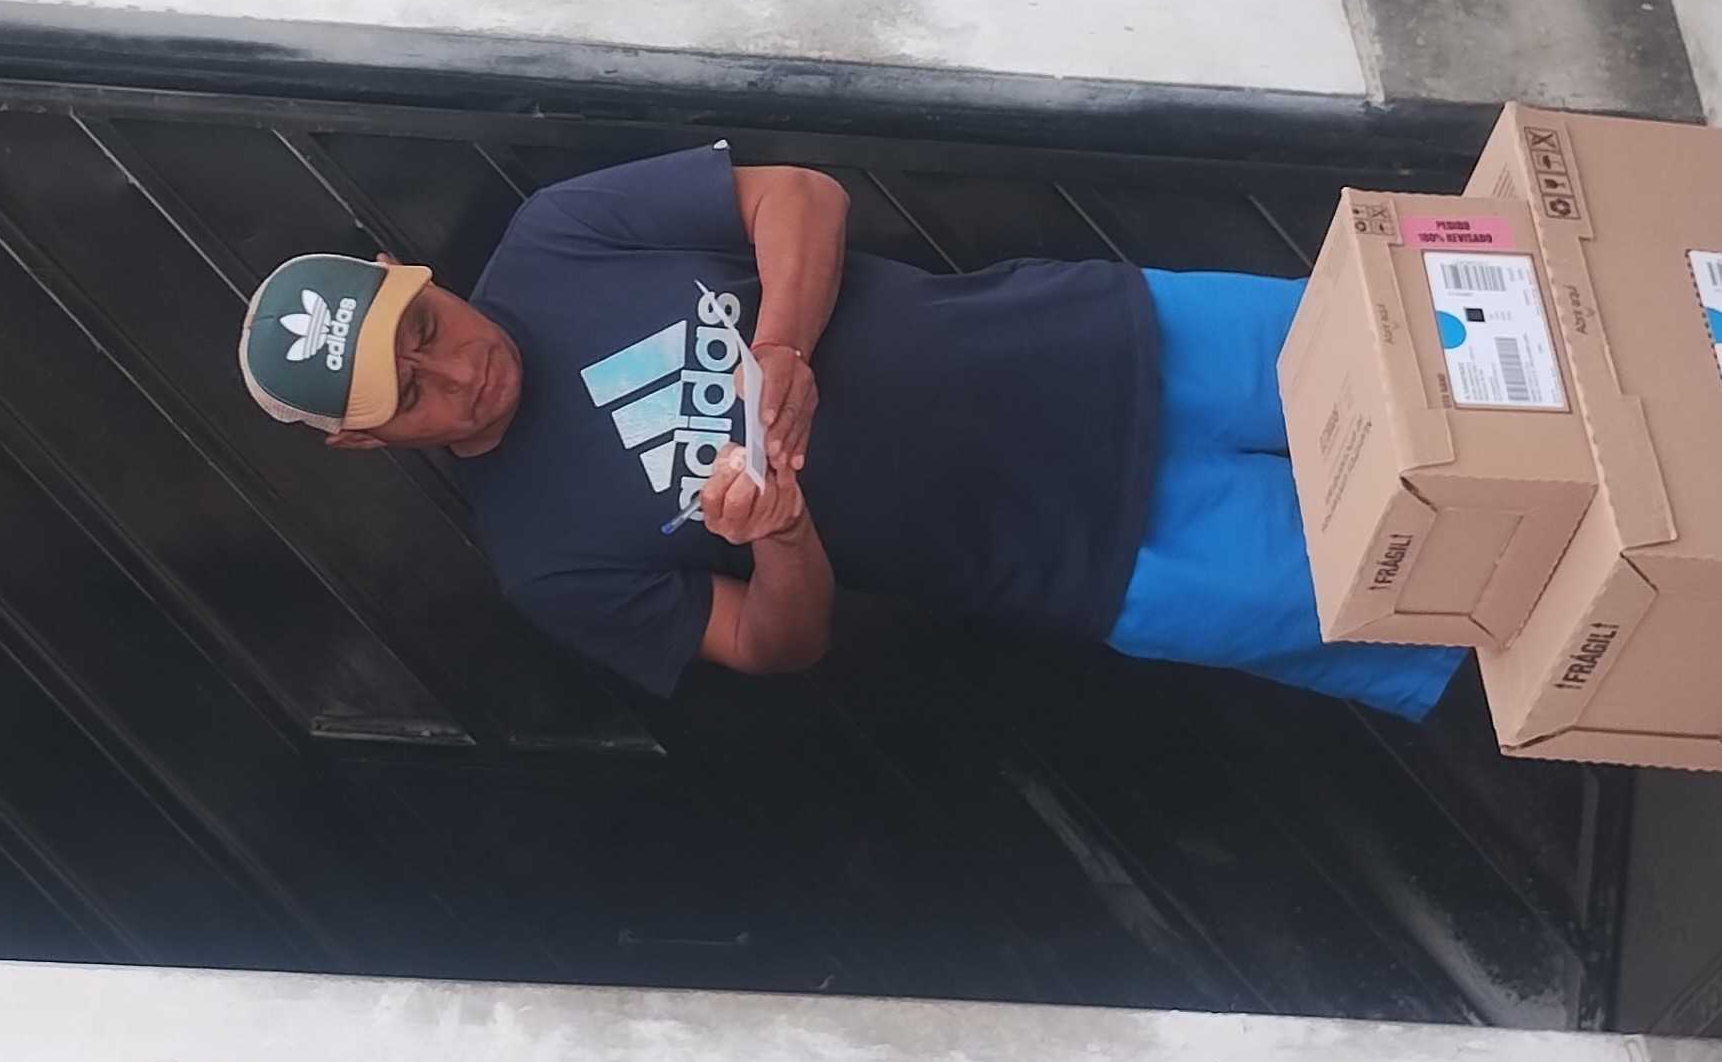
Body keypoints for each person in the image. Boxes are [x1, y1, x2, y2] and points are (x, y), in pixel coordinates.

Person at [233, 140, 1459, 715]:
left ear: (409, 273)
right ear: (365, 442)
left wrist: (780, 347)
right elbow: (777, 647)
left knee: (1472, 376)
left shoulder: (559, 235)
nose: (458, 370)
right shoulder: (544, 561)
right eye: (412, 393)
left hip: (1119, 341)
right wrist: (781, 536)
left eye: (427, 325)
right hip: (1108, 555)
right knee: (1473, 603)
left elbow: (801, 194)